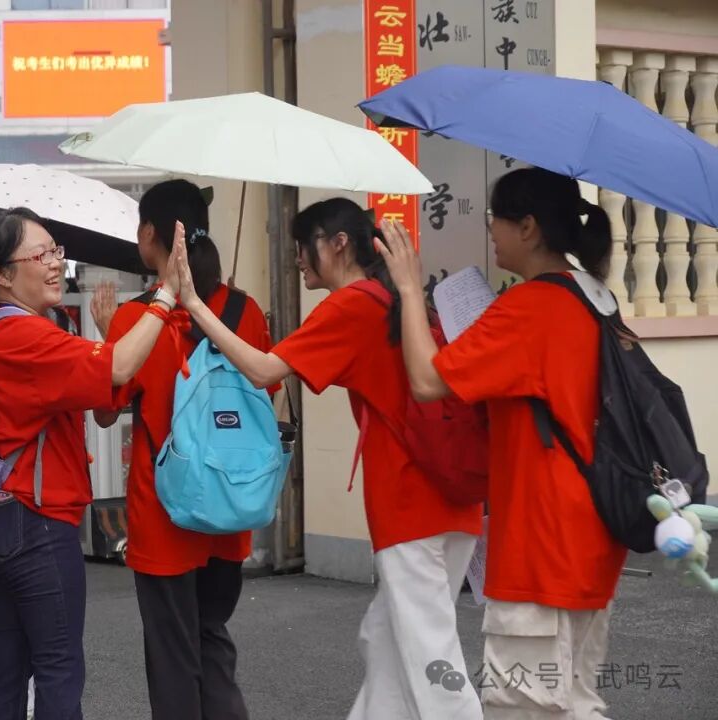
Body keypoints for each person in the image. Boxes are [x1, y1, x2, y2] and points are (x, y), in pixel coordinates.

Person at [169, 197, 485, 719]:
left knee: (432, 664)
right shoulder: (394, 298)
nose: (297, 257)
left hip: (410, 506)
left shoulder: (354, 304)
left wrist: (195, 305)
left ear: (338, 244)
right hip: (451, 501)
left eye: (304, 244)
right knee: (384, 645)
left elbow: (265, 370)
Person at [375, 167, 624, 719]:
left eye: (497, 221)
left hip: (539, 548)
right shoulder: (597, 299)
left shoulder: (530, 307)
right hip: (595, 540)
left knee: (526, 707)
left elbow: (425, 379)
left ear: (528, 227)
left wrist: (412, 289)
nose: (491, 232)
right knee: (578, 702)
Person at [0, 206, 179, 720]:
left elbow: (98, 393)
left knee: (9, 657)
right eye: (40, 254)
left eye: (56, 250)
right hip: (37, 517)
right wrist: (166, 294)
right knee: (57, 663)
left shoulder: (0, 328)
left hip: (6, 514)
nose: (55, 263)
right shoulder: (24, 334)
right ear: (4, 276)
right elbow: (119, 365)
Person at [91, 179, 271, 720]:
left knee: (171, 654)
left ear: (150, 236)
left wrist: (108, 339)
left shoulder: (135, 319)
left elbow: (104, 409)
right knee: (212, 637)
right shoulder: (245, 310)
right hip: (228, 508)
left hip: (164, 511)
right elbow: (265, 392)